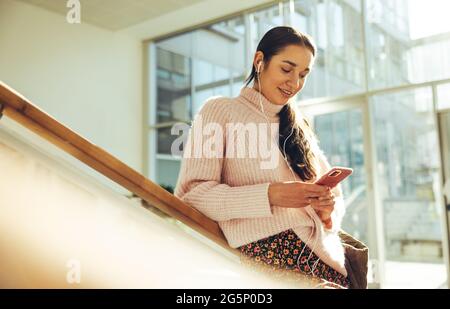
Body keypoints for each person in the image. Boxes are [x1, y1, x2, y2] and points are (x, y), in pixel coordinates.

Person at [175, 26, 350, 288]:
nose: (295, 83)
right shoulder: (220, 111)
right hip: (272, 261)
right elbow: (194, 195)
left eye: (303, 74)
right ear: (260, 61)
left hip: (328, 262)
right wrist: (272, 194)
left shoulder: (299, 125)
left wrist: (326, 212)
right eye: (286, 69)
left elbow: (336, 202)